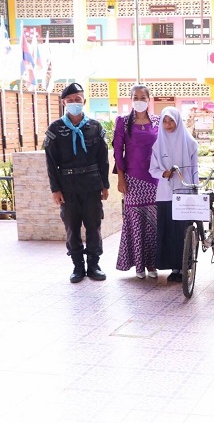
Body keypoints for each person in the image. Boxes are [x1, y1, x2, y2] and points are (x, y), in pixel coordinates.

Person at [44, 82, 110, 283]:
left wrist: (105, 185)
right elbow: (50, 161)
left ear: (84, 101)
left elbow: (103, 159)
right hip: (68, 187)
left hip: (91, 185)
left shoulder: (95, 126)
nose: (74, 103)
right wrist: (55, 189)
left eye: (78, 99)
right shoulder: (56, 128)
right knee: (72, 228)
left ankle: (94, 265)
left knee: (94, 226)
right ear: (64, 103)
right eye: (70, 100)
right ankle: (78, 267)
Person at [113, 84, 160, 279]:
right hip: (132, 179)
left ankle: (152, 264)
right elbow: (118, 152)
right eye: (135, 97)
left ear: (149, 100)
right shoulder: (123, 122)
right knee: (135, 221)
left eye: (143, 97)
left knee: (154, 222)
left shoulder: (158, 121)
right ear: (131, 100)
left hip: (155, 179)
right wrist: (121, 178)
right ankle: (139, 265)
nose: (139, 101)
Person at [149, 106, 199, 283]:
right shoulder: (157, 144)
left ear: (178, 121)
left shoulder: (190, 143)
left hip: (185, 193)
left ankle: (185, 267)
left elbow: (194, 169)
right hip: (165, 195)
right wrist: (163, 173)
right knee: (169, 231)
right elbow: (153, 169)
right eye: (165, 121)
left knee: (183, 231)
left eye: (171, 120)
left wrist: (195, 189)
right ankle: (174, 268)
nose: (168, 124)